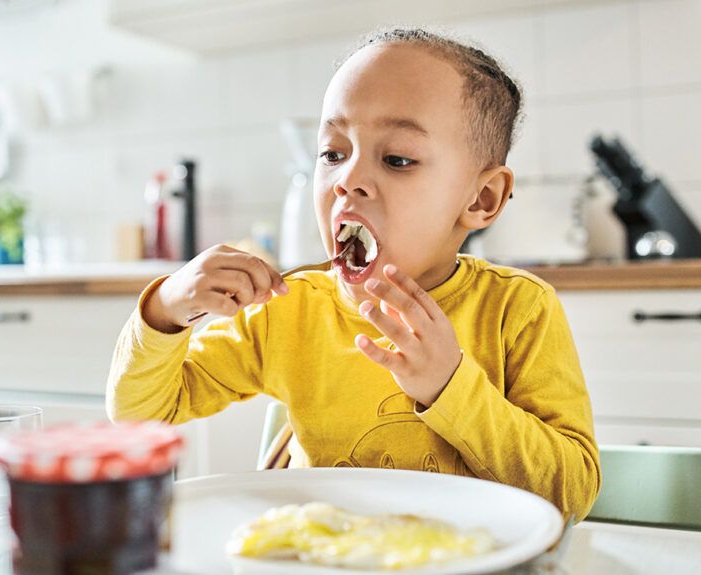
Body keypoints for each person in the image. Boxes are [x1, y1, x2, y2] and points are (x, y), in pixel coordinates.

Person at [107, 28, 600, 519]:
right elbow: (141, 415)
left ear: (481, 198)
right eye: (333, 153)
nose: (349, 182)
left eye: (397, 159)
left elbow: (570, 494)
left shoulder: (517, 310)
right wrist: (165, 311)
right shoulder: (289, 309)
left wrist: (450, 386)